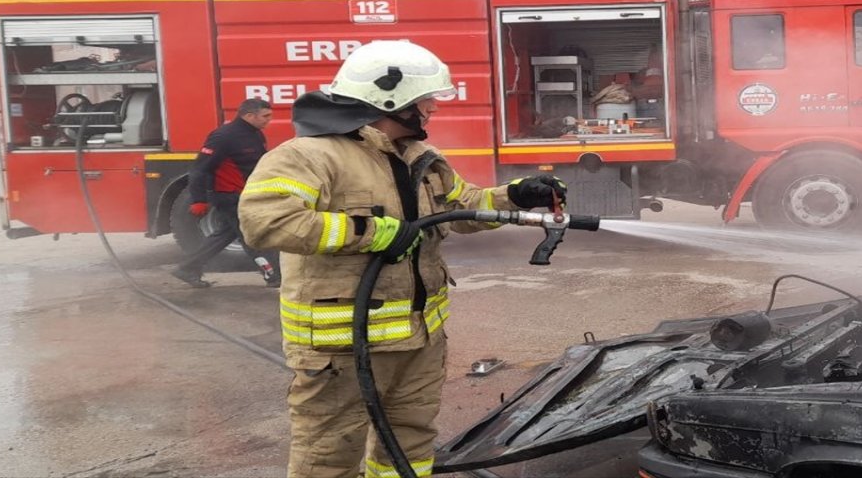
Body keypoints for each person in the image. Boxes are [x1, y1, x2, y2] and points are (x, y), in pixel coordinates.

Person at [236, 41, 567, 478]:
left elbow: (462, 207)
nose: (432, 107)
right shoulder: (309, 155)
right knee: (329, 454)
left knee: (408, 447)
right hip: (341, 346)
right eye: (425, 98)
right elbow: (265, 220)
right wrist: (371, 234)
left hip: (419, 341)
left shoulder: (419, 157)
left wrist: (516, 195)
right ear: (390, 98)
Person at [172, 98, 280, 288]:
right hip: (228, 195)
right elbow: (199, 168)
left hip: (247, 193)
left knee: (226, 233)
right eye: (265, 116)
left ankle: (187, 268)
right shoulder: (223, 136)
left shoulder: (256, 135)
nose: (268, 120)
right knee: (252, 234)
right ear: (249, 115)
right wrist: (198, 199)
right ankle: (274, 276)